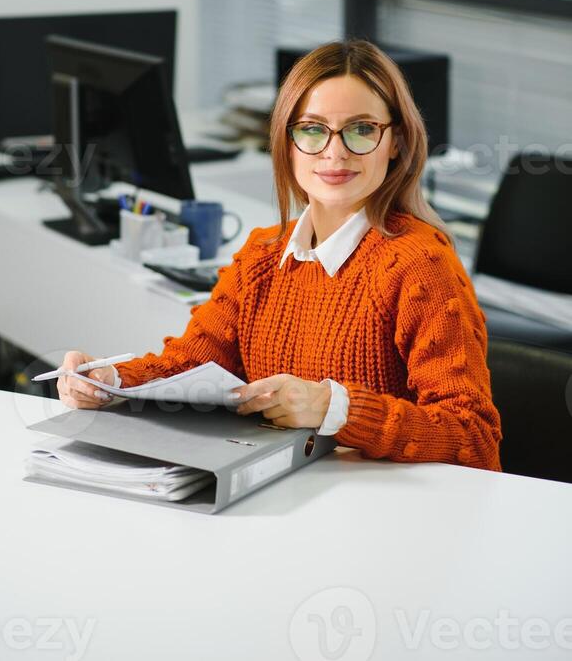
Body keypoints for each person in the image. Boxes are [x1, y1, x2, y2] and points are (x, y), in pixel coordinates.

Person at [57, 40, 502, 471]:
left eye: (362, 129)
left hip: (380, 515)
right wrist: (108, 380)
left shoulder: (418, 264)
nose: (335, 151)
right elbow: (189, 367)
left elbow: (473, 438)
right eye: (312, 129)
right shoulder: (263, 255)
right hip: (282, 493)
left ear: (397, 142)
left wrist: (334, 408)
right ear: (287, 142)